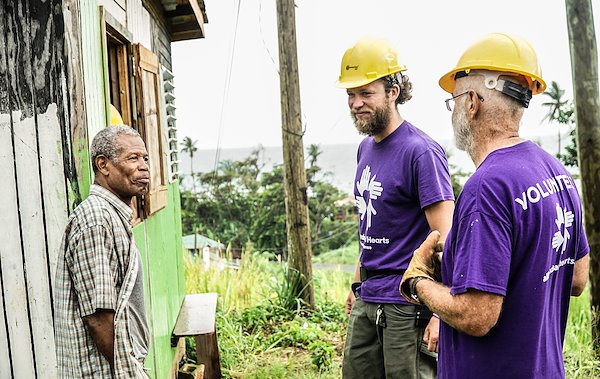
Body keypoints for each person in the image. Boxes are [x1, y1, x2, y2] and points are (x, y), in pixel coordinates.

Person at [400, 32, 590, 379]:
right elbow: (576, 279)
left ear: (472, 101)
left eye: (453, 100)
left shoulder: (486, 187)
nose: (454, 110)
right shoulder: (557, 173)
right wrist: (462, 262)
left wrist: (418, 281)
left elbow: (478, 315)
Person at [336, 37, 455, 379]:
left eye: (366, 93)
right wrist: (357, 285)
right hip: (368, 298)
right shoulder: (365, 150)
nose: (356, 103)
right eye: (350, 94)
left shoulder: (420, 152)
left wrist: (441, 314)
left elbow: (446, 238)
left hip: (409, 305)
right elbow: (371, 225)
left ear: (393, 91)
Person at [54, 124, 151, 378]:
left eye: (145, 158)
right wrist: (131, 373)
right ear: (103, 165)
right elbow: (98, 317)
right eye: (133, 158)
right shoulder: (96, 219)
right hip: (103, 372)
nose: (144, 166)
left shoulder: (113, 216)